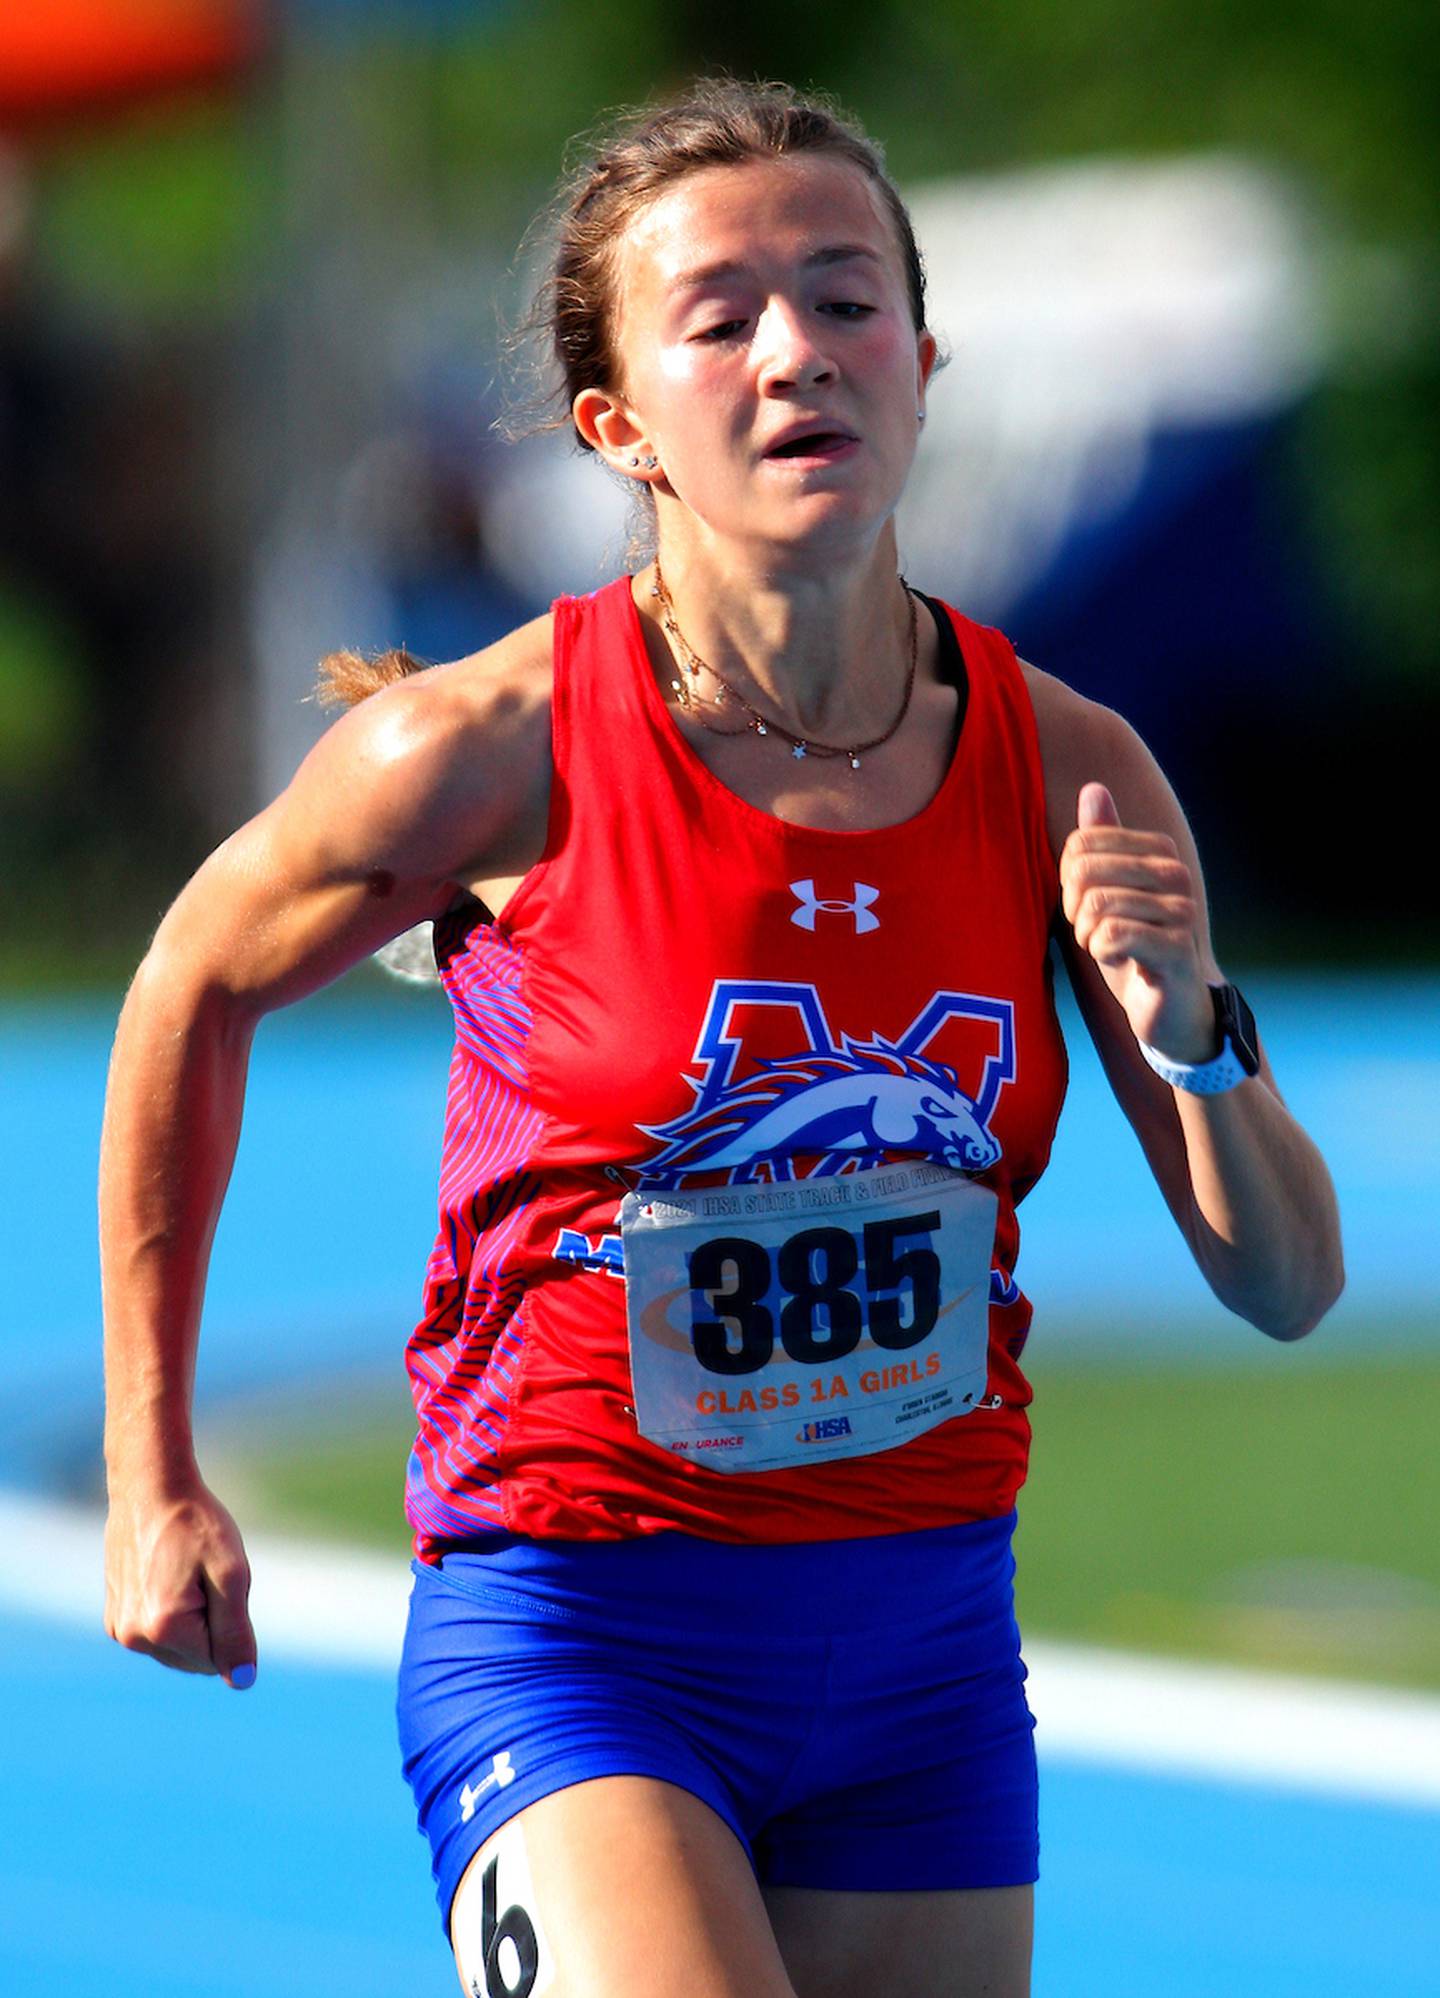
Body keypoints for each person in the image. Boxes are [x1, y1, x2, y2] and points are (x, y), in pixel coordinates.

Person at [100, 78, 1343, 1998]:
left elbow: (1283, 1285)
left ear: (924, 361)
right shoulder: (485, 751)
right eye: (724, 317)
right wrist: (151, 1462)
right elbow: (187, 987)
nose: (797, 356)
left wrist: (1190, 1034)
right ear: (620, 427)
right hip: (587, 1634)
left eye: (846, 300)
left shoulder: (1071, 768)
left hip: (923, 1660)